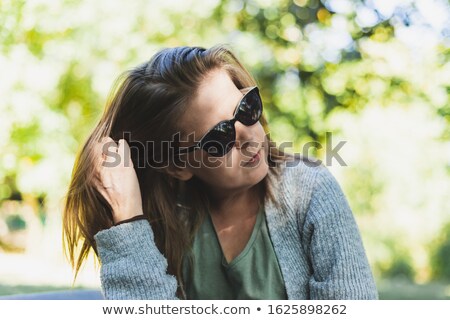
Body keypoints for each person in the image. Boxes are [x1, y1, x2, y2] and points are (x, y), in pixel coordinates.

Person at [62, 45, 378, 300]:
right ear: (177, 165)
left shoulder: (309, 191)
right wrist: (129, 222)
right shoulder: (157, 223)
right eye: (220, 137)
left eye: (247, 108)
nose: (250, 136)